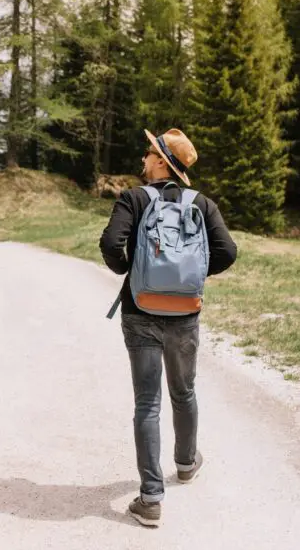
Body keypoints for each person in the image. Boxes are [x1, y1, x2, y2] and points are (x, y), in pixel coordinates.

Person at [98, 128, 237, 527]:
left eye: (149, 152)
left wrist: (127, 270)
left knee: (147, 403)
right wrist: (191, 277)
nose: (144, 158)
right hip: (186, 313)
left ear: (161, 161)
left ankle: (151, 498)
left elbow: (111, 243)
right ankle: (187, 463)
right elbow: (228, 251)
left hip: (140, 310)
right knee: (184, 390)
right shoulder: (202, 204)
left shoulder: (134, 198)